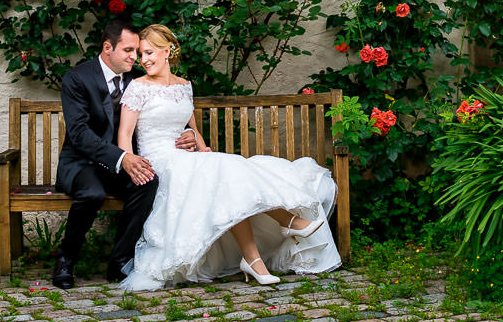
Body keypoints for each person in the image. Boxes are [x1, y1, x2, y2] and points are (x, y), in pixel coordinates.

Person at [116, 24, 341, 289]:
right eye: (141, 54)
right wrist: (131, 167)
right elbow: (125, 134)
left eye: (149, 53)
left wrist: (202, 148)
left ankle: (254, 259)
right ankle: (288, 222)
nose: (143, 60)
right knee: (225, 172)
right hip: (159, 162)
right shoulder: (138, 87)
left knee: (227, 177)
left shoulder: (184, 86)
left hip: (187, 160)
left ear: (168, 51)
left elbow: (193, 130)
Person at [52, 20, 196, 289]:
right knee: (92, 194)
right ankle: (65, 259)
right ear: (108, 48)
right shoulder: (78, 78)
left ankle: (119, 262)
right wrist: (121, 158)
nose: (135, 57)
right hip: (83, 162)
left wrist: (188, 133)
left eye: (137, 51)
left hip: (119, 164)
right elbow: (79, 133)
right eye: (129, 50)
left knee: (148, 182)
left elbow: (163, 111)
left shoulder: (137, 79)